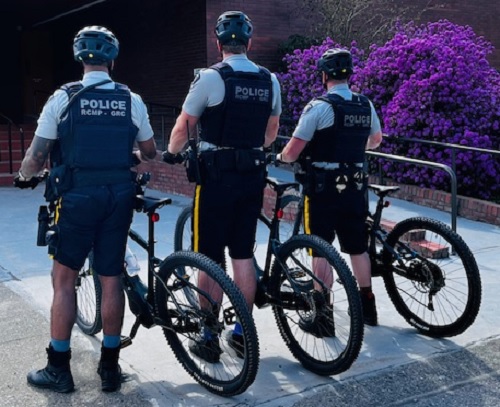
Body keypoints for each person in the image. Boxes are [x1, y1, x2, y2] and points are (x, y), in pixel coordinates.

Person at [13, 25, 157, 393]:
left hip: (76, 197)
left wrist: (24, 175)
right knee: (111, 278)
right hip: (119, 196)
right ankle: (110, 367)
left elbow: (37, 155)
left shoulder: (63, 97)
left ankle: (59, 368)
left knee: (63, 280)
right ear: (113, 60)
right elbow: (151, 152)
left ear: (79, 58)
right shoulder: (131, 99)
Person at [163, 11, 281, 362]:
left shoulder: (212, 78)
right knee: (242, 253)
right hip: (252, 174)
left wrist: (171, 153)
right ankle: (243, 332)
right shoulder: (268, 79)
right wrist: (254, 150)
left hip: (216, 178)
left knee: (208, 257)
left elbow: (184, 126)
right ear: (249, 42)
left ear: (218, 44)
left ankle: (208, 333)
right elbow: (271, 130)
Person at [277, 48, 383, 332]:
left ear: (324, 76)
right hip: (356, 187)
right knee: (358, 247)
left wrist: (280, 157)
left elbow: (293, 150)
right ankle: (367, 306)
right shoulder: (365, 105)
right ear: (350, 74)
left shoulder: (319, 107)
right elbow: (376, 140)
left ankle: (323, 317)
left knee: (320, 249)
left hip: (323, 190)